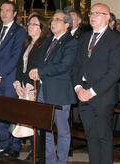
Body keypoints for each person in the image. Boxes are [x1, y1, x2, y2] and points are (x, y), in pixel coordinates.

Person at [72, 3, 120, 164]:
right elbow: (76, 66)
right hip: (83, 95)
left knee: (103, 137)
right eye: (90, 13)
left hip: (103, 96)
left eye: (97, 13)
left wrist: (92, 91)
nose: (92, 16)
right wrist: (78, 88)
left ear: (107, 17)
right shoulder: (84, 37)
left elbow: (114, 72)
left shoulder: (116, 39)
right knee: (91, 136)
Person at [29, 10, 78, 164]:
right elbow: (41, 62)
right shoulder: (49, 40)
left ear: (67, 24)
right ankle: (50, 161)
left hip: (60, 91)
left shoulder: (71, 42)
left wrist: (41, 71)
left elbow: (64, 65)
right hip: (44, 89)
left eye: (58, 19)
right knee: (45, 129)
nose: (53, 22)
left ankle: (61, 161)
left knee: (62, 131)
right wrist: (36, 71)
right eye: (53, 19)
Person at [0, 1, 27, 158]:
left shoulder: (20, 32)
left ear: (14, 13)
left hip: (9, 79)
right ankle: (4, 144)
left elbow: (15, 57)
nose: (4, 13)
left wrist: (0, 74)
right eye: (2, 10)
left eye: (8, 10)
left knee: (12, 113)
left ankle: (15, 146)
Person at [13, 14, 50, 162]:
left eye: (34, 24)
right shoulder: (26, 43)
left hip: (36, 87)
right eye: (29, 24)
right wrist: (17, 84)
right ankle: (33, 150)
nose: (30, 26)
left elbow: (42, 67)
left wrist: (29, 85)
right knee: (28, 122)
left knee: (37, 122)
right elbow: (19, 66)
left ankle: (38, 153)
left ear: (41, 28)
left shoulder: (45, 44)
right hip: (23, 87)